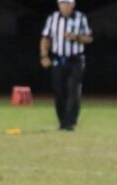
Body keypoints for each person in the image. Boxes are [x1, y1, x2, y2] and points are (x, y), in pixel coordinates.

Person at [40, 0, 93, 131]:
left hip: (76, 60)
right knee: (59, 91)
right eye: (62, 3)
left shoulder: (81, 17)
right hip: (59, 59)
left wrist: (77, 37)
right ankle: (62, 121)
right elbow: (46, 38)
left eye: (67, 3)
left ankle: (71, 122)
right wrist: (44, 55)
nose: (64, 6)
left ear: (73, 5)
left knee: (73, 90)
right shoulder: (52, 18)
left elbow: (89, 38)